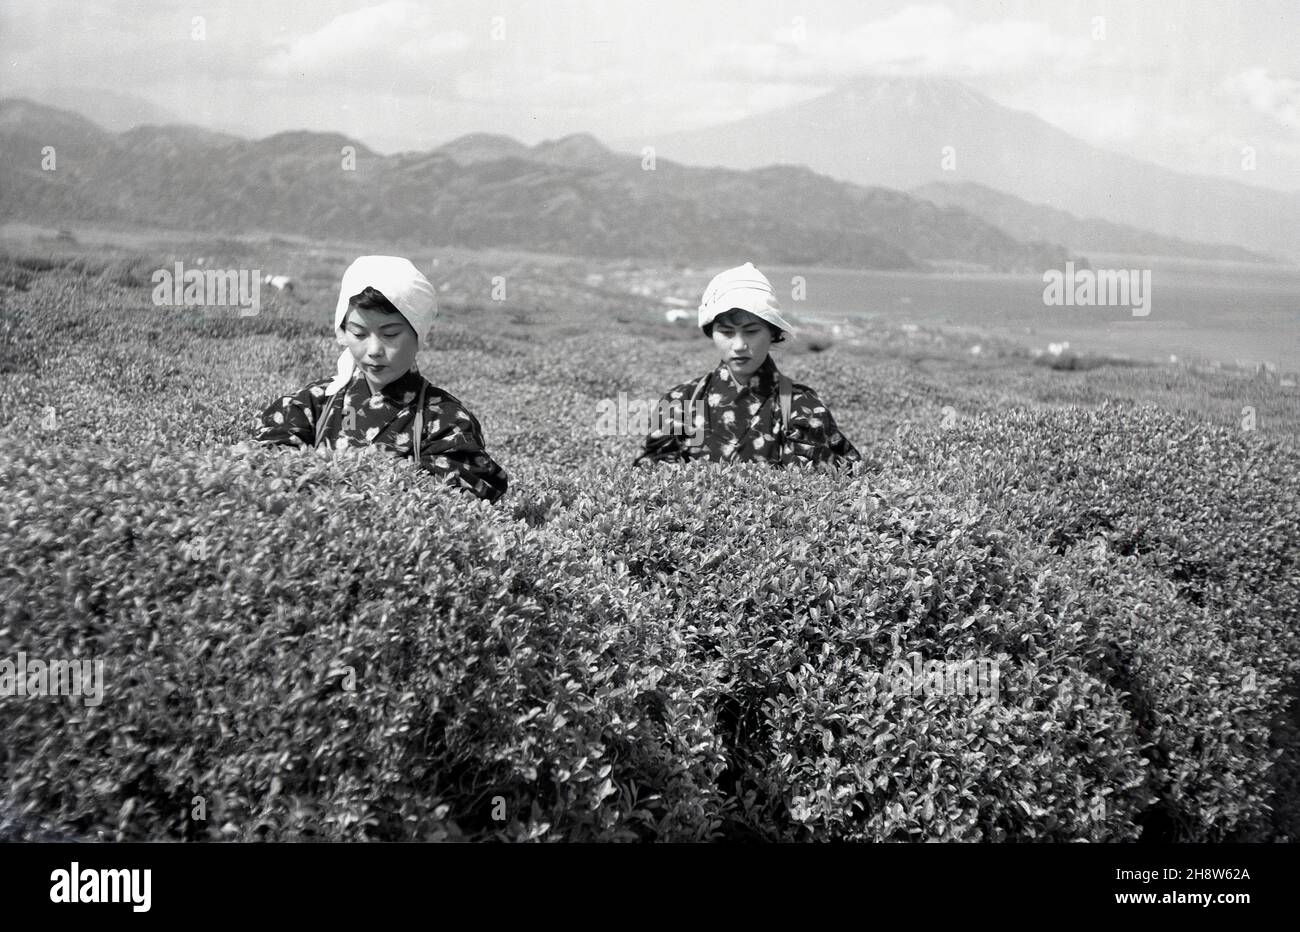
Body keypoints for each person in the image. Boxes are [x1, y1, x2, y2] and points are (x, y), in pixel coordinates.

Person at [252, 255, 508, 503]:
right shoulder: (312, 404)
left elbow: (467, 495)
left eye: (390, 334)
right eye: (359, 334)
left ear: (418, 333)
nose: (374, 350)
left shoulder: (446, 420)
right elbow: (265, 467)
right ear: (343, 333)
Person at [633, 262, 859, 468]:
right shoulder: (680, 401)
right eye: (726, 332)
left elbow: (812, 488)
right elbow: (653, 480)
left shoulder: (801, 406)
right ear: (711, 333)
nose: (739, 345)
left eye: (751, 332)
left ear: (772, 333)